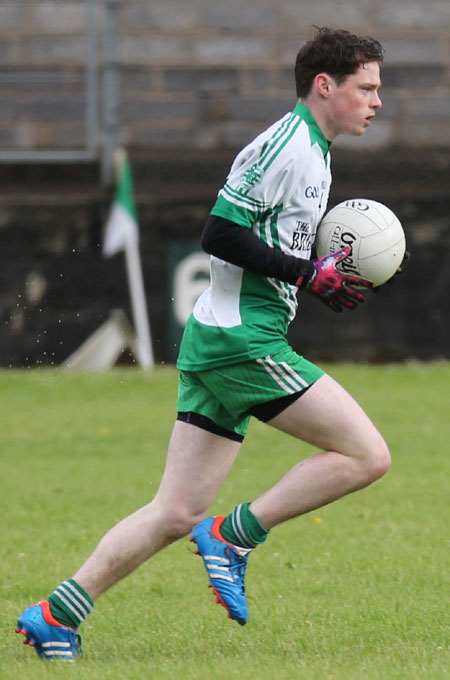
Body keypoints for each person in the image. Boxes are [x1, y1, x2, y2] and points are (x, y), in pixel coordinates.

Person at [16, 27, 392, 660]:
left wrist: (320, 279)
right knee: (366, 456)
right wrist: (306, 274)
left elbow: (273, 246)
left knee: (175, 510)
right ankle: (236, 535)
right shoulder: (291, 147)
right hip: (241, 340)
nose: (377, 100)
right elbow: (218, 232)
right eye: (368, 88)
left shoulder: (313, 148)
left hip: (220, 332)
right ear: (325, 86)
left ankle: (56, 615)